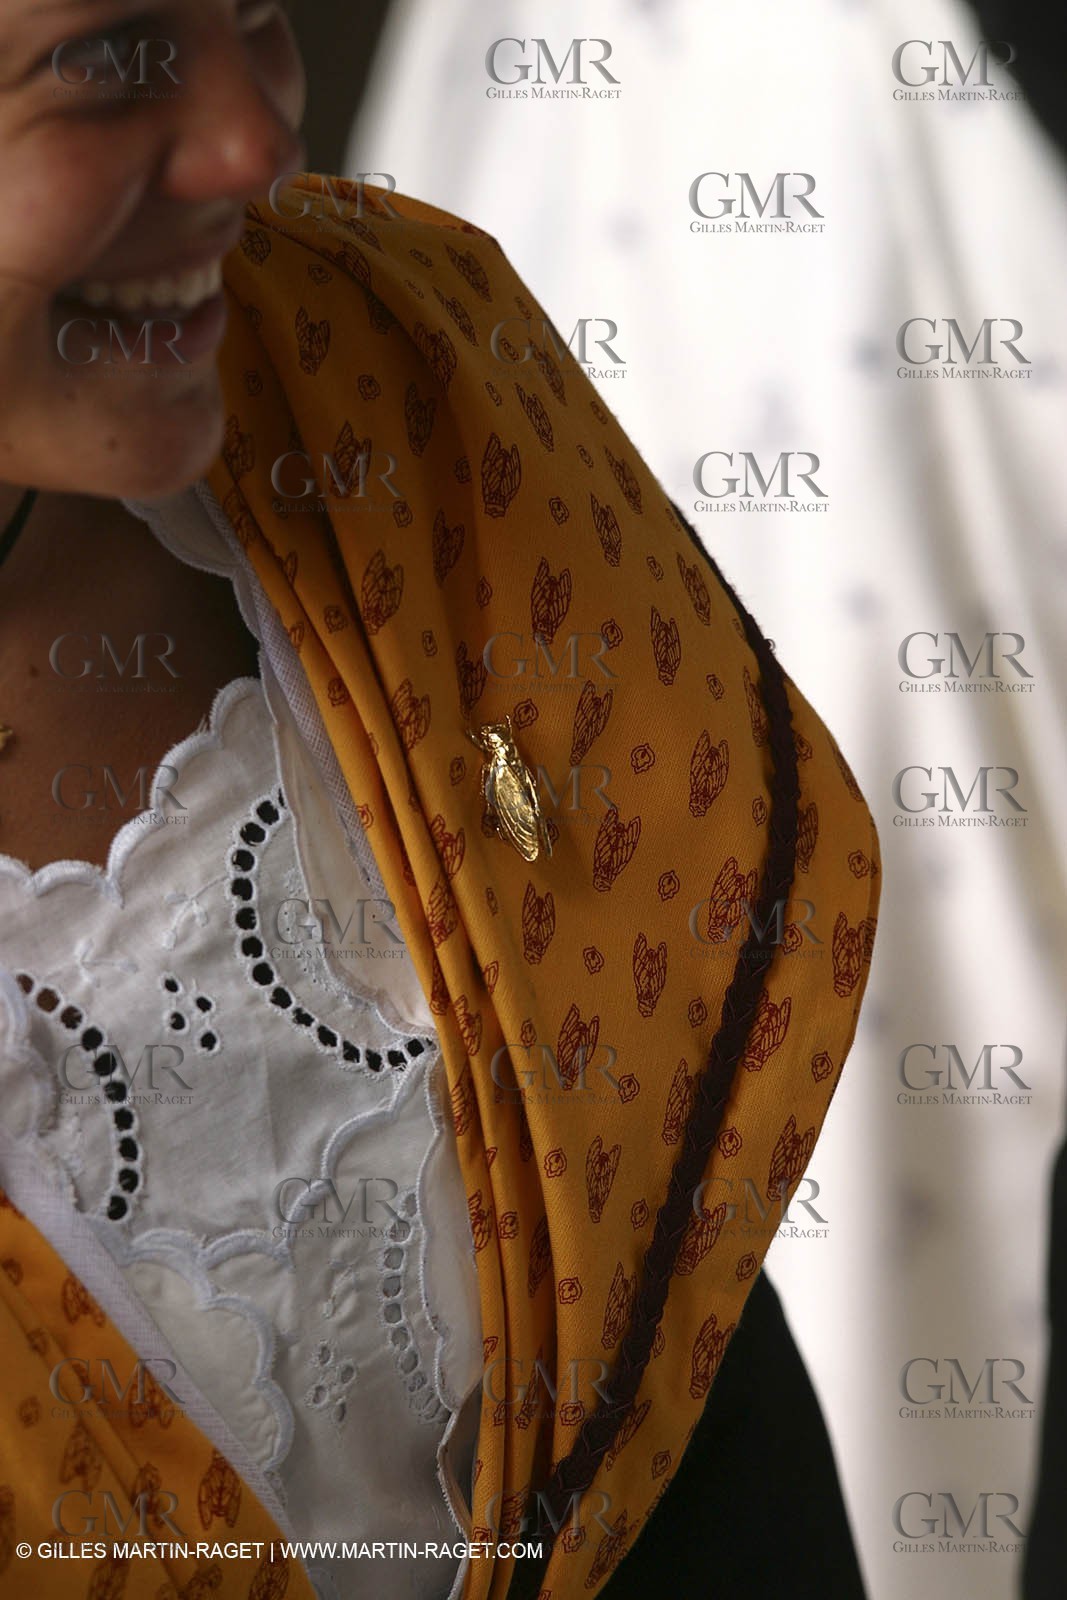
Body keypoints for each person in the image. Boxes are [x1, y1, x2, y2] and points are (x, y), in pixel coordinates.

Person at [0, 6, 879, 1598]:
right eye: (106, 60)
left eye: (255, 13)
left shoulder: (396, 390)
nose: (257, 142)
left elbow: (674, 1349)